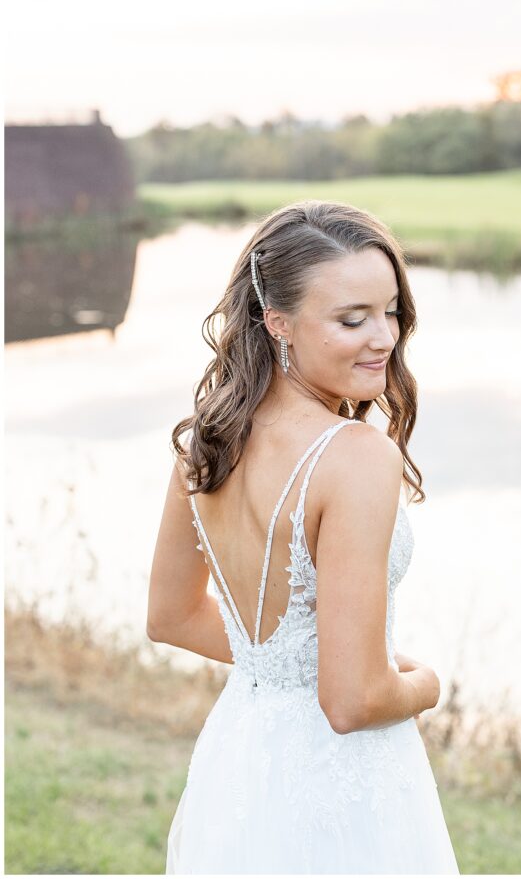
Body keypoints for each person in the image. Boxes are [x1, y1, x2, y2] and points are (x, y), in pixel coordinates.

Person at [147, 200, 460, 874]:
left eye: (391, 311)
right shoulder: (353, 456)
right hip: (340, 777)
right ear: (277, 321)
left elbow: (170, 617)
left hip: (243, 756)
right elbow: (354, 702)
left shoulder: (209, 439)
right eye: (353, 319)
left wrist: (303, 660)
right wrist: (424, 683)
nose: (384, 338)